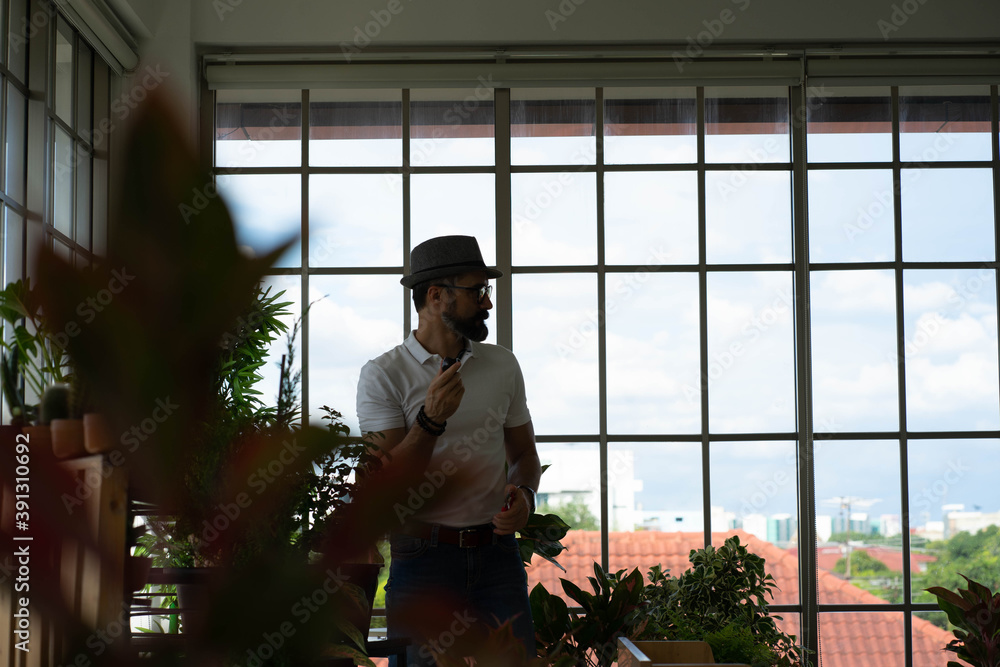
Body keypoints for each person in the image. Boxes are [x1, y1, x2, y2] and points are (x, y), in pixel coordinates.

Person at [356, 235, 540, 665]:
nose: (488, 303)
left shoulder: (503, 364)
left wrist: (526, 496)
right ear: (437, 296)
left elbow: (524, 455)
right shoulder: (383, 375)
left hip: (498, 556)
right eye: (477, 291)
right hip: (423, 560)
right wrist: (430, 420)